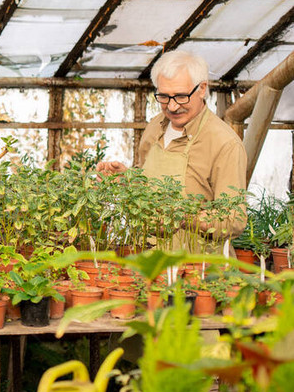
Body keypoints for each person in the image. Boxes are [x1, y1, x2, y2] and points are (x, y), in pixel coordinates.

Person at [97, 50, 247, 248]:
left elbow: (234, 219)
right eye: (164, 97)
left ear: (202, 89)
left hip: (196, 268)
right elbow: (148, 183)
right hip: (147, 257)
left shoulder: (224, 144)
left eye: (181, 96)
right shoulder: (155, 126)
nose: (173, 107)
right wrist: (127, 180)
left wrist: (182, 217)